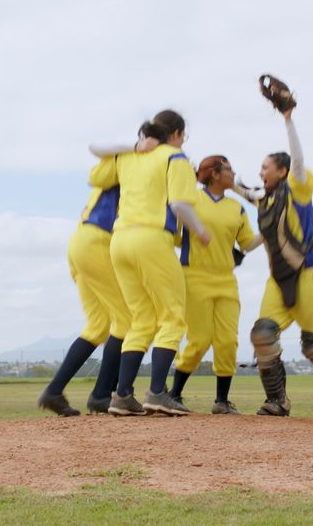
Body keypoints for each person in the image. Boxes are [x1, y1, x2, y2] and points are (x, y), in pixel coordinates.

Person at [242, 105, 313, 419]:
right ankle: (277, 402)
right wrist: (223, 180)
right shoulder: (265, 198)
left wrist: (288, 119)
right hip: (278, 280)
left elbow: (299, 162)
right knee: (262, 335)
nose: (261, 172)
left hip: (310, 277)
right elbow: (246, 191)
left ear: (281, 171)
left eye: (265, 167)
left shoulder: (299, 188)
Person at [94, 110, 211, 416]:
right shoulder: (175, 158)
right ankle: (158, 393)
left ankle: (121, 395)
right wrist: (200, 231)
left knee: (141, 319)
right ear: (176, 134)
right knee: (173, 316)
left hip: (120, 242)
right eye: (183, 136)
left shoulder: (127, 158)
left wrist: (134, 146)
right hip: (152, 239)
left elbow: (95, 148)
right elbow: (181, 204)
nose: (184, 142)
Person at [37, 161, 133, 416]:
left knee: (98, 326)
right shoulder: (133, 170)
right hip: (97, 242)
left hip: (80, 242)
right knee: (127, 320)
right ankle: (102, 395)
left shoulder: (113, 175)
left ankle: (54, 392)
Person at [168, 155, 262, 414]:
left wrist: (267, 231)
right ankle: (173, 394)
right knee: (199, 339)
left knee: (228, 341)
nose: (234, 175)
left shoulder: (236, 207)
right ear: (214, 174)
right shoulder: (191, 200)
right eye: (229, 170)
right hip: (194, 277)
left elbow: (247, 243)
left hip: (226, 281)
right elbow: (174, 235)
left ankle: (221, 401)